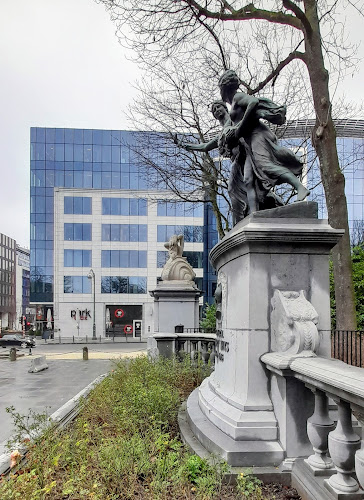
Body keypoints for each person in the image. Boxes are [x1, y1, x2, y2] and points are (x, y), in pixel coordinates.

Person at [218, 69, 310, 214]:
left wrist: (240, 126)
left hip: (257, 136)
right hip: (249, 145)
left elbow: (253, 102)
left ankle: (300, 188)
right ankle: (254, 214)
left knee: (266, 166)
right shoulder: (233, 106)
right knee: (248, 179)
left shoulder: (237, 97)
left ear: (224, 88)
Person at [175, 100, 281, 223]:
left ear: (225, 107)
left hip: (247, 156)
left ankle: (263, 209)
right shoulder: (221, 134)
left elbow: (250, 124)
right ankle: (241, 221)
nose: (216, 111)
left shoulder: (235, 120)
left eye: (218, 107)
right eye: (214, 110)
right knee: (234, 190)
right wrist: (184, 145)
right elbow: (205, 147)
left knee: (253, 187)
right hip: (237, 163)